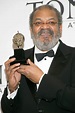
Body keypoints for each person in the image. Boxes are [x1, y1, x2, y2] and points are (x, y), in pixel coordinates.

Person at [1, 4, 75, 113]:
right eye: (38, 23)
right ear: (31, 30)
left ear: (60, 28)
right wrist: (12, 89)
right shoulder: (17, 59)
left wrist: (42, 79)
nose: (45, 27)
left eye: (51, 22)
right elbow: (7, 110)